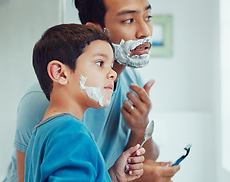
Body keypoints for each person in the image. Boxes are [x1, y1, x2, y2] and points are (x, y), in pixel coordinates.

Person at [3, 0, 180, 182]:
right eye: (129, 20)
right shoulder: (45, 100)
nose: (145, 31)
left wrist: (140, 127)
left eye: (147, 17)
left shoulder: (131, 81)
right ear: (96, 30)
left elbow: (139, 163)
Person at [25, 23, 145, 182]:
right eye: (100, 63)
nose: (113, 74)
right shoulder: (71, 133)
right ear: (60, 73)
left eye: (111, 66)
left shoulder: (42, 132)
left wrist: (113, 176)